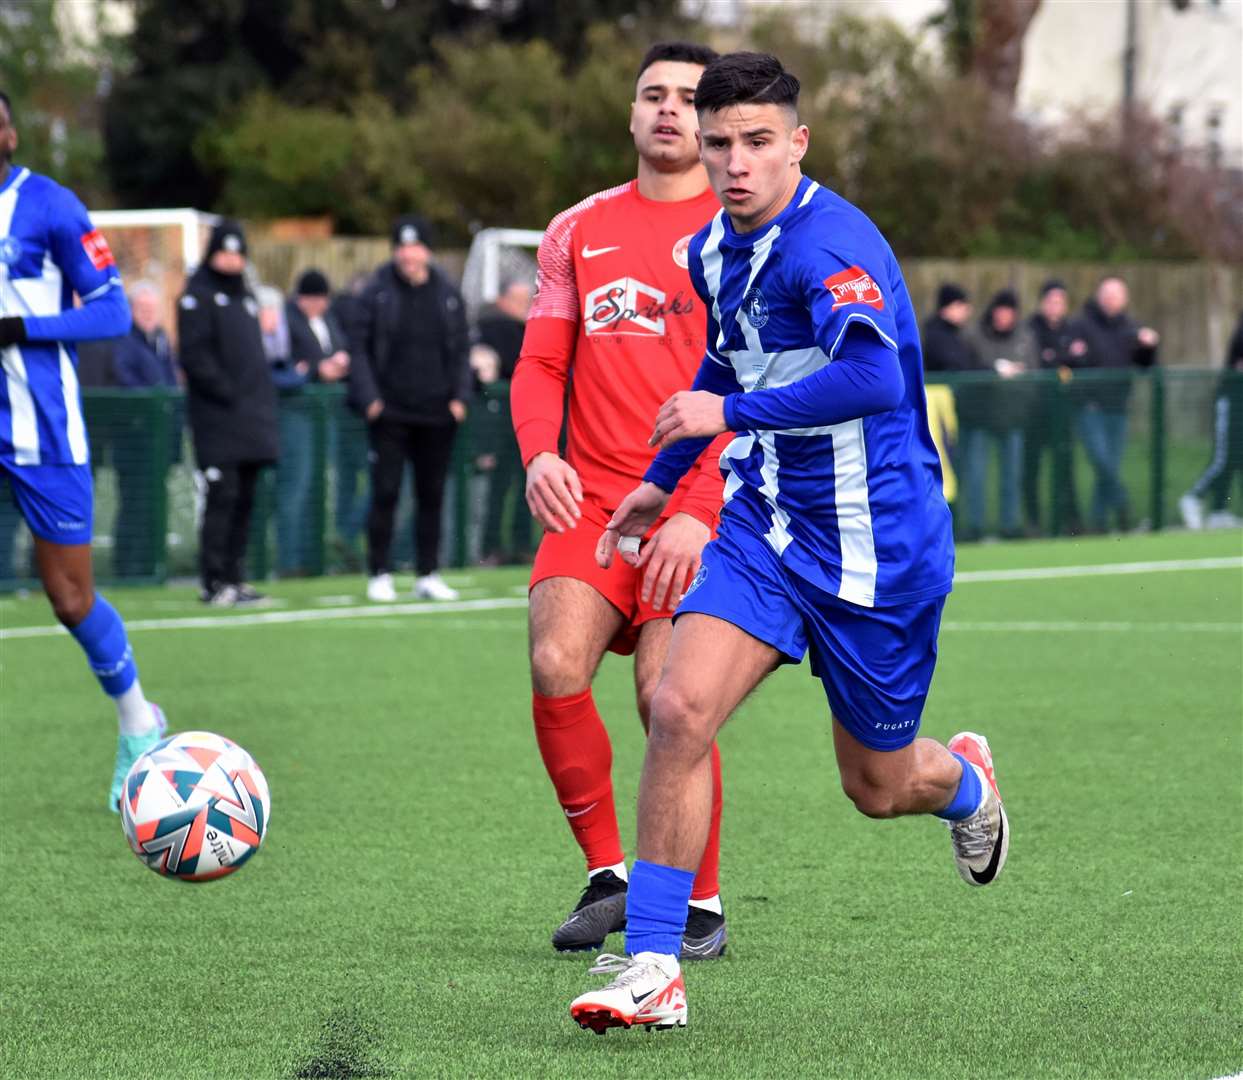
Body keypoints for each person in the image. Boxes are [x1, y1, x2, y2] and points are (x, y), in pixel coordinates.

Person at [567, 52, 1007, 1035]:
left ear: (795, 145)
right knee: (677, 707)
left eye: (756, 143)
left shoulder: (830, 245)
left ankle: (966, 783)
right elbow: (732, 350)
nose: (735, 163)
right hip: (765, 527)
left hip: (878, 552)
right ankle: (650, 964)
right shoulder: (709, 251)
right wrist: (661, 481)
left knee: (879, 787)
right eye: (718, 142)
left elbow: (871, 381)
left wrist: (720, 406)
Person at [512, 40, 732, 961]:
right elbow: (541, 362)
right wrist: (537, 456)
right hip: (597, 496)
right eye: (654, 95)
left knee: (662, 693)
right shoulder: (575, 229)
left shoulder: (746, 229)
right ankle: (611, 874)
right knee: (556, 656)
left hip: (708, 498)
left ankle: (701, 905)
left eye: (688, 97)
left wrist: (699, 499)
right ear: (631, 114)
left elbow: (761, 384)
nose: (670, 110)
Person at [0, 90, 166, 809]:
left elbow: (112, 310)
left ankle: (139, 719)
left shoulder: (49, 205)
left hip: (41, 425)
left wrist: (20, 329)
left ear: (8, 131)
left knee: (69, 596)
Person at [347, 215, 471, 602]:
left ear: (427, 251)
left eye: (415, 247)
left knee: (431, 495)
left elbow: (462, 349)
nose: (408, 255)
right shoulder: (376, 292)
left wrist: (459, 399)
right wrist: (370, 400)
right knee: (385, 492)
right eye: (402, 247)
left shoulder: (447, 293)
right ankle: (379, 572)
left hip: (437, 412)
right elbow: (359, 349)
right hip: (390, 413)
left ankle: (428, 572)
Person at [178, 219, 279, 606]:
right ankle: (213, 580)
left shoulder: (246, 297)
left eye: (238, 254)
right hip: (218, 419)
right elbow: (195, 356)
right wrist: (228, 392)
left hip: (251, 420)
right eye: (225, 253)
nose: (232, 261)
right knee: (222, 497)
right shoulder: (198, 296)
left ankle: (235, 577)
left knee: (245, 500)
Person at [272, 269, 350, 576]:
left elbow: (338, 347)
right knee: (296, 484)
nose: (319, 305)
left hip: (324, 414)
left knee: (317, 485)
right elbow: (288, 364)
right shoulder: (287, 320)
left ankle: (311, 556)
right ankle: (288, 559)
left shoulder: (328, 319)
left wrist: (340, 362)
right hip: (297, 414)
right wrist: (319, 369)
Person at [1067, 276, 1159, 532]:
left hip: (1118, 408)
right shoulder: (1081, 325)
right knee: (1102, 461)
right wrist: (1078, 355)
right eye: (1107, 295)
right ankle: (1124, 507)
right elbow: (1069, 360)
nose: (1111, 300)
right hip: (1089, 408)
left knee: (1108, 467)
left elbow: (1144, 367)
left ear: (1124, 300)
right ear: (1099, 296)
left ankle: (1098, 523)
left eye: (1116, 296)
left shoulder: (1131, 328)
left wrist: (1148, 347)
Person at [111, 279, 183, 577]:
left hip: (160, 440)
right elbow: (125, 380)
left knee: (153, 504)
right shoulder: (125, 340)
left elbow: (170, 380)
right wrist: (154, 401)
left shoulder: (161, 340)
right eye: (142, 308)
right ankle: (129, 565)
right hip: (135, 442)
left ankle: (149, 563)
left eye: (152, 308)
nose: (148, 313)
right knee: (134, 505)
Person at [963, 289, 1034, 539]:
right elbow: (968, 370)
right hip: (980, 418)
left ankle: (1010, 525)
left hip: (1012, 417)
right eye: (1000, 310)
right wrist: (995, 372)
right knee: (976, 476)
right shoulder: (974, 336)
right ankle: (975, 526)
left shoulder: (1025, 338)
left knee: (1012, 476)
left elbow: (1033, 375)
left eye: (1009, 311)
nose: (1004, 316)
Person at [475, 278, 534, 565]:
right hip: (499, 425)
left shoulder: (523, 327)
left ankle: (519, 544)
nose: (525, 306)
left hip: (521, 423)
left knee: (525, 486)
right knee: (499, 488)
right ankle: (492, 547)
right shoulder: (495, 328)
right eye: (519, 300)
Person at [1024, 279, 1085, 534]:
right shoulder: (1030, 329)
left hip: (1063, 412)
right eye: (1051, 301)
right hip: (1034, 412)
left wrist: (1063, 358)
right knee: (1031, 470)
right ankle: (1033, 522)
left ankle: (1071, 522)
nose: (1055, 306)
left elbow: (1081, 359)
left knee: (1065, 469)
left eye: (1060, 302)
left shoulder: (1073, 328)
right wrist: (1064, 357)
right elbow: (1038, 361)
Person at [1180, 311, 1243, 529]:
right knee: (1224, 458)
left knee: (1238, 458)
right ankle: (1194, 497)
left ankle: (1218, 511)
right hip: (1233, 401)